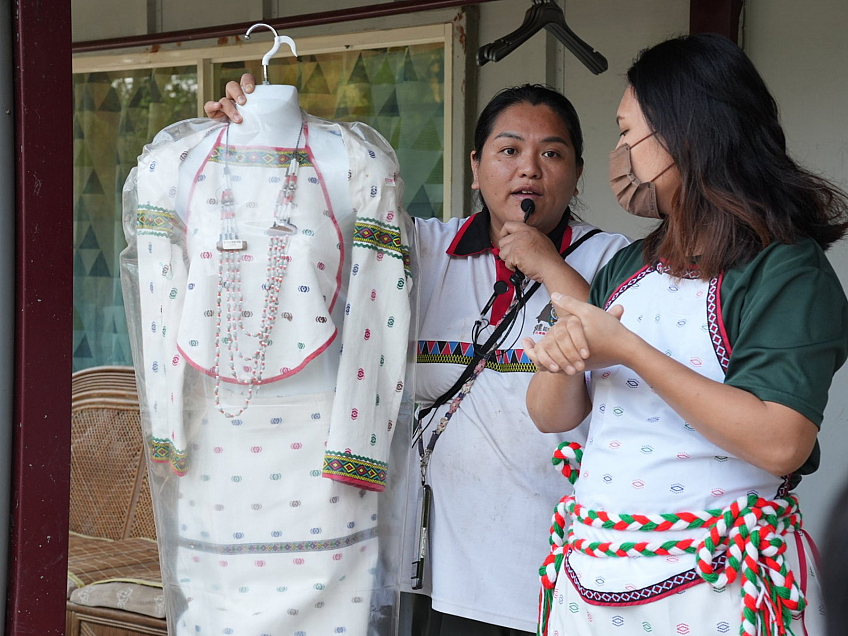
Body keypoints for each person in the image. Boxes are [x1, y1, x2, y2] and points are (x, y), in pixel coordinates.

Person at [207, 80, 629, 635]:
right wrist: (258, 135)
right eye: (508, 151)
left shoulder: (610, 259)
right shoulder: (425, 248)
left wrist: (547, 264)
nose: (529, 169)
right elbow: (311, 225)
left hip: (532, 568)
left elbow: (602, 344)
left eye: (551, 153)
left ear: (576, 172)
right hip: (409, 563)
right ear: (476, 168)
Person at [524, 33, 848, 636]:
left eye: (627, 132)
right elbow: (550, 416)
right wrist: (561, 357)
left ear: (685, 133)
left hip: (718, 587)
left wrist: (629, 351)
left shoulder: (785, 270)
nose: (620, 153)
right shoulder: (627, 267)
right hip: (593, 578)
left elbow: (782, 442)